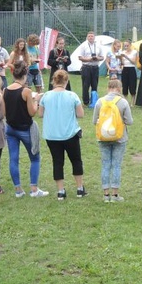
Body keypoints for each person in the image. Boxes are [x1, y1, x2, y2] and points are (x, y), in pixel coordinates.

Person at [39, 69, 87, 200]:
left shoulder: (46, 96)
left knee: (57, 162)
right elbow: (81, 114)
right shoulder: (72, 96)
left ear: (54, 81)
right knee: (76, 160)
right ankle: (79, 188)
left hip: (52, 135)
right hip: (70, 133)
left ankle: (60, 191)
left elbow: (40, 114)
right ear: (66, 81)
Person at [4, 61, 47, 198]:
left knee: (13, 159)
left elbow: (5, 111)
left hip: (11, 128)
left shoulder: (5, 90)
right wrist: (36, 100)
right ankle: (34, 189)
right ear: (25, 75)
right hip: (25, 129)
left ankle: (18, 190)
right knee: (35, 158)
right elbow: (32, 112)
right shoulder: (26, 91)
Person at [92, 79, 133, 202]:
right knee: (116, 164)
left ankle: (105, 195)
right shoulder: (123, 102)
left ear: (108, 87)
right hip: (120, 137)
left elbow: (94, 121)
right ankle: (115, 195)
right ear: (119, 88)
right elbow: (129, 121)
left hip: (103, 137)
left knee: (105, 164)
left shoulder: (100, 102)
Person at [78, 31, 104, 106]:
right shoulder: (83, 45)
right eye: (89, 36)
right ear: (87, 37)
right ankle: (86, 101)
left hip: (95, 67)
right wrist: (89, 59)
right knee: (86, 85)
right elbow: (80, 57)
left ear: (94, 37)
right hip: (86, 67)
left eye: (92, 36)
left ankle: (94, 101)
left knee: (95, 84)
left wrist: (97, 58)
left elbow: (102, 57)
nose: (90, 37)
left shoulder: (98, 45)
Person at [119, 39, 138, 104]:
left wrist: (126, 57)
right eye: (125, 46)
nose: (126, 47)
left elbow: (134, 62)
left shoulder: (134, 52)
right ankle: (125, 101)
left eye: (127, 45)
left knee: (132, 85)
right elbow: (122, 63)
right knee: (125, 85)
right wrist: (120, 59)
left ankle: (133, 102)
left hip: (131, 69)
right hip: (125, 69)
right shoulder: (122, 52)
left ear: (130, 45)